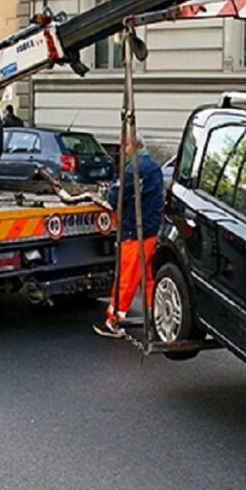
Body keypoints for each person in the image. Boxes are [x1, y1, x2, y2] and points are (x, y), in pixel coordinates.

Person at [93, 130, 164, 338]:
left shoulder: (134, 168)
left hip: (135, 232)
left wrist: (107, 194)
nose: (122, 151)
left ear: (133, 146)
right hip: (150, 231)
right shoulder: (154, 166)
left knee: (127, 276)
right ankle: (156, 316)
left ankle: (114, 320)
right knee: (148, 277)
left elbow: (116, 195)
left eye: (124, 146)